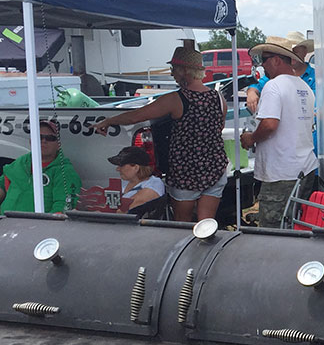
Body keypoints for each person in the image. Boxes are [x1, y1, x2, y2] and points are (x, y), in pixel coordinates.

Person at [93, 46, 227, 222]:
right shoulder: (219, 98)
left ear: (184, 71)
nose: (172, 74)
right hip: (215, 168)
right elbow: (219, 128)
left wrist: (109, 121)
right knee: (206, 224)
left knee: (182, 224)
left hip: (185, 172)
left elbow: (136, 116)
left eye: (174, 70)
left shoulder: (176, 99)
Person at [242, 37, 318, 228]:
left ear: (276, 60)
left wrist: (251, 138)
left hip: (281, 173)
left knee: (274, 233)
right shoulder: (305, 88)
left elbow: (269, 124)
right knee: (296, 225)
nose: (262, 66)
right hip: (304, 169)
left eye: (264, 60)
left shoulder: (273, 86)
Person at [0, 119, 81, 216]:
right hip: (5, 223)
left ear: (58, 144)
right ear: (31, 141)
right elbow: (2, 182)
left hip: (36, 230)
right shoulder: (22, 162)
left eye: (50, 138)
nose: (44, 141)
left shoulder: (65, 171)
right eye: (39, 137)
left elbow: (63, 209)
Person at [244, 31, 315, 114]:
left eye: (295, 52)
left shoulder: (316, 77)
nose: (292, 56)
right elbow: (257, 86)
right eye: (290, 52)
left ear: (305, 52)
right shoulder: (275, 76)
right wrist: (251, 92)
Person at [107, 146, 165, 213]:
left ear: (136, 168)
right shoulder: (125, 182)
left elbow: (122, 210)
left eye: (121, 165)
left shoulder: (154, 184)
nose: (117, 169)